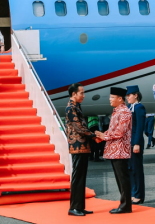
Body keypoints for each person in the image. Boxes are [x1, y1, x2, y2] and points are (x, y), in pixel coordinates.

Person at [95, 87, 132, 214]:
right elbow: (112, 130)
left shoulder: (124, 112)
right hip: (114, 150)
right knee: (119, 179)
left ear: (120, 99)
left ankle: (126, 205)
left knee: (123, 179)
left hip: (120, 150)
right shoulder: (117, 111)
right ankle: (124, 204)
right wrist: (102, 136)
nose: (110, 100)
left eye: (112, 97)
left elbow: (120, 132)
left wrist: (103, 136)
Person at [65, 83, 95, 216]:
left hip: (82, 146)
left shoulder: (77, 107)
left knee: (81, 177)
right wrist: (93, 135)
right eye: (81, 93)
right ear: (74, 94)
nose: (84, 95)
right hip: (77, 146)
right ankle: (74, 207)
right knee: (77, 178)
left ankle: (80, 206)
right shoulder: (71, 108)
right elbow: (78, 127)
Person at [126, 85, 146, 204]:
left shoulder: (139, 108)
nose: (127, 97)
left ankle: (139, 194)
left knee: (137, 169)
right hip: (129, 142)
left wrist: (137, 143)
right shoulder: (130, 107)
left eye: (129, 95)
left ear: (136, 95)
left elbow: (139, 127)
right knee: (131, 169)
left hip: (135, 142)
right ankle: (133, 192)